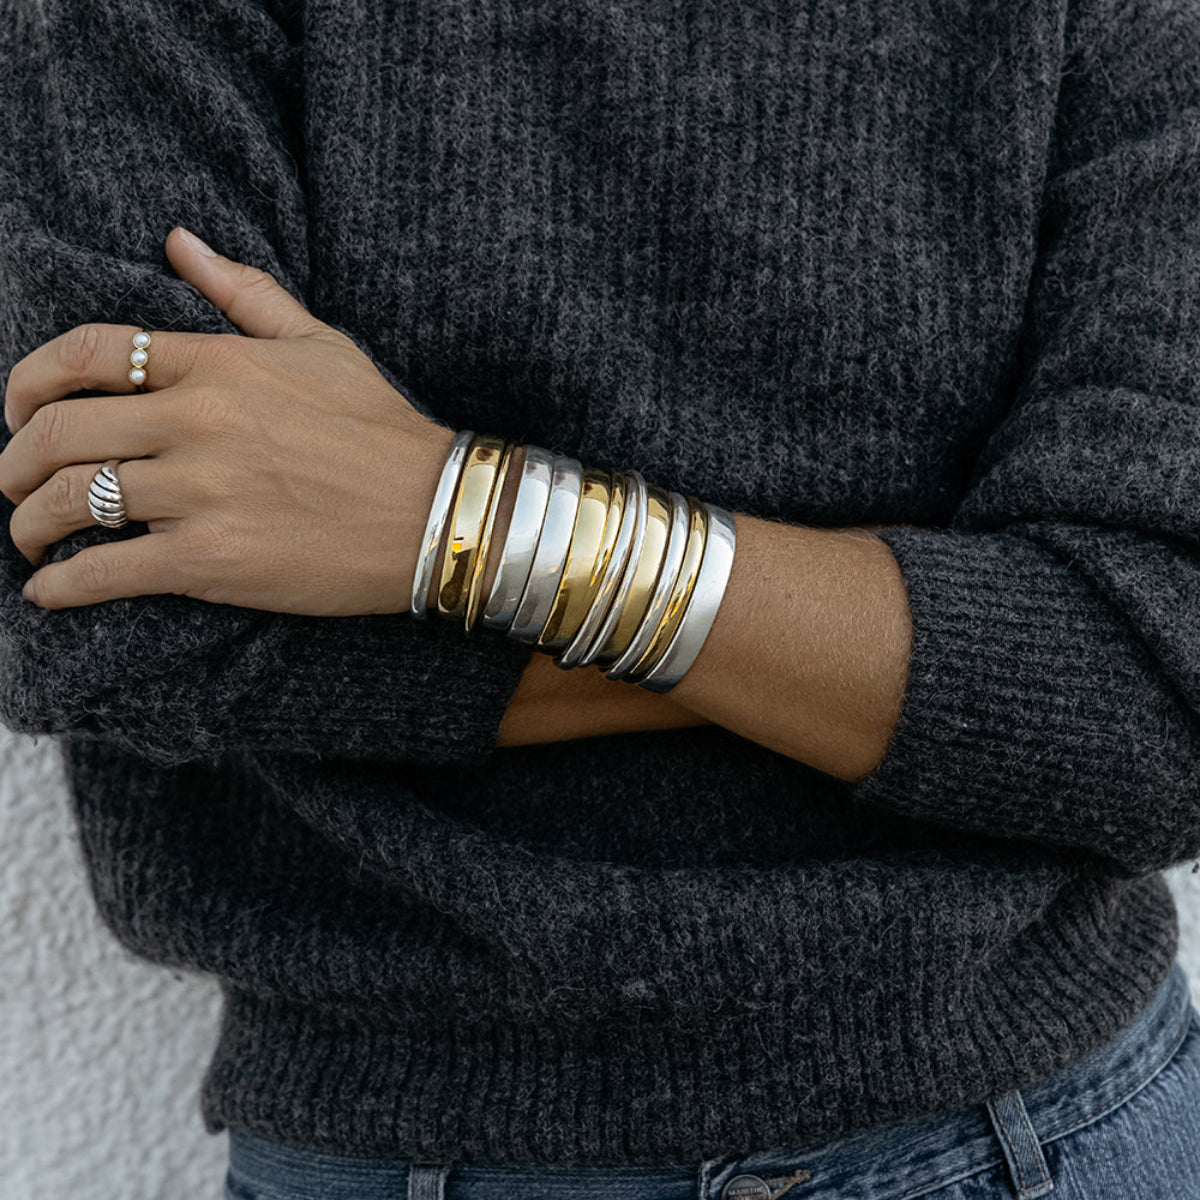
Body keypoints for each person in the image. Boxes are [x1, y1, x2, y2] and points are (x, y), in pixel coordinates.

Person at [1, 0, 1199, 1198]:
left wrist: (444, 516)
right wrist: (948, 622)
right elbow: (99, 605)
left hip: (1039, 1131)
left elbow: (1157, 700)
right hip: (398, 1141)